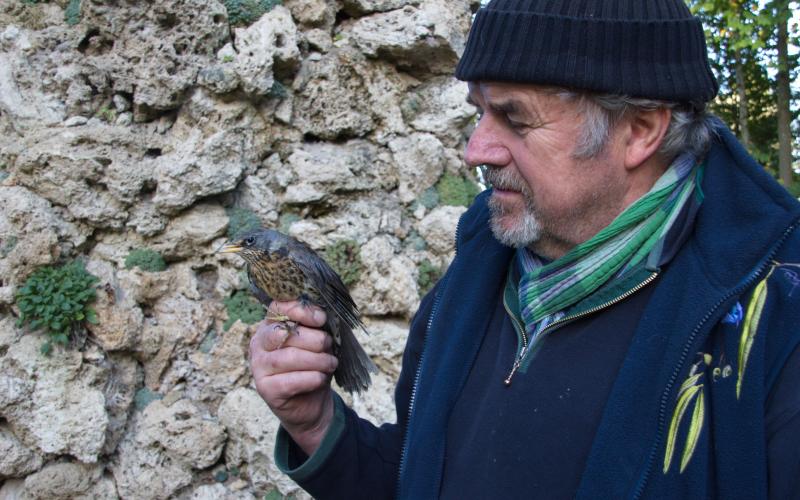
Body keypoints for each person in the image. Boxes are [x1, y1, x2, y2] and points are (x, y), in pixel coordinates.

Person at [248, 0, 800, 498]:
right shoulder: (474, 273)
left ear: (639, 130)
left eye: (514, 118)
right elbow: (421, 481)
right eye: (479, 113)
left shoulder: (777, 316)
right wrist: (317, 426)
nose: (476, 151)